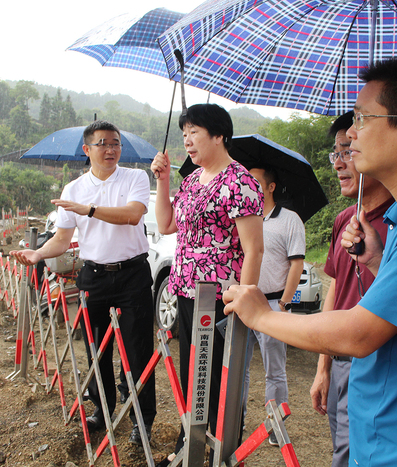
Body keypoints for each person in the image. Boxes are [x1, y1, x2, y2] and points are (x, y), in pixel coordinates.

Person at [223, 58, 397, 466]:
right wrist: (377, 261)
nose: (351, 134)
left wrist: (262, 316)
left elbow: (360, 333)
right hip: (387, 436)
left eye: (363, 119)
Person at [10, 120, 156, 446]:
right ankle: (102, 412)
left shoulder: (135, 177)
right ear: (86, 150)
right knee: (95, 350)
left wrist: (87, 210)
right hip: (95, 276)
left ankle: (141, 421)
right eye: (102, 143)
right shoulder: (74, 189)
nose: (110, 149)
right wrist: (37, 254)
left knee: (138, 351)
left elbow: (132, 215)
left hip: (133, 274)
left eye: (115, 143)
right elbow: (62, 241)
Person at [149, 103, 264, 466]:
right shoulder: (192, 180)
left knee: (217, 380)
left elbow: (254, 249)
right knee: (193, 377)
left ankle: (219, 452)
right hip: (185, 293)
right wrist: (163, 180)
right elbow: (168, 224)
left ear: (219, 135)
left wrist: (241, 307)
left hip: (219, 300)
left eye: (194, 132)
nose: (187, 140)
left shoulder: (239, 182)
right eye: (184, 134)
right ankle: (189, 447)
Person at [308, 111, 393, 467]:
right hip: (340, 360)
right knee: (340, 446)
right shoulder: (345, 219)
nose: (340, 163)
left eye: (348, 151)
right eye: (336, 154)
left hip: (374, 360)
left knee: (353, 454)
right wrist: (322, 367)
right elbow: (336, 290)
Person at [241, 164, 305, 446]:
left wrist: (283, 303)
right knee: (237, 368)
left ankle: (275, 426)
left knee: (275, 370)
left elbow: (296, 264)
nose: (249, 186)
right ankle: (234, 422)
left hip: (271, 305)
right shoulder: (243, 217)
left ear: (270, 187)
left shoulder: (289, 220)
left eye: (256, 182)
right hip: (243, 301)